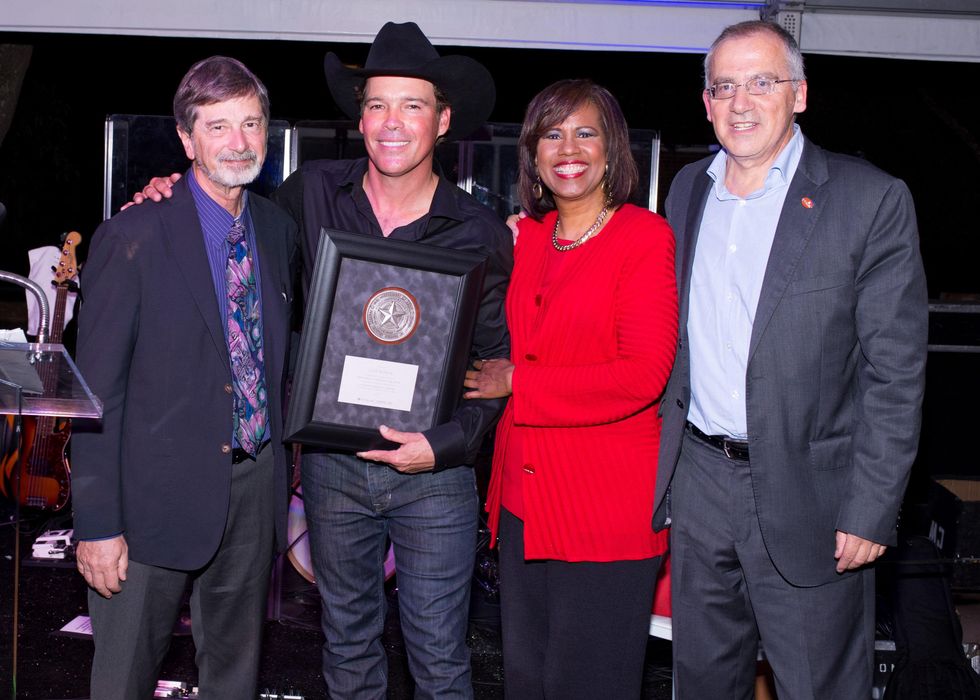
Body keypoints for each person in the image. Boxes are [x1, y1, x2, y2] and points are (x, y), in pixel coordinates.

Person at [126, 22, 511, 699]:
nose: (392, 123)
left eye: (413, 105)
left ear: (443, 120)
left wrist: (445, 444)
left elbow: (494, 366)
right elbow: (229, 222)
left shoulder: (479, 231)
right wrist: (172, 194)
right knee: (347, 648)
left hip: (434, 476)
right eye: (377, 104)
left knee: (441, 662)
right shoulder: (308, 195)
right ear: (360, 118)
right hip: (333, 471)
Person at [652, 20, 928, 699]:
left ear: (799, 94)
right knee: (701, 683)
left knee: (818, 686)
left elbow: (895, 374)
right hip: (699, 485)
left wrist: (872, 509)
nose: (741, 102)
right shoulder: (687, 190)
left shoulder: (868, 199)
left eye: (761, 82)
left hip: (814, 498)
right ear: (706, 102)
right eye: (724, 87)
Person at [71, 57, 299, 698]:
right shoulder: (133, 234)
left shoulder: (278, 230)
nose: (238, 141)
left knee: (234, 681)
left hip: (252, 493)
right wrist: (97, 524)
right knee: (122, 682)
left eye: (250, 123)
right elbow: (96, 397)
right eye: (218, 126)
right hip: (148, 505)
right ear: (186, 138)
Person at [464, 79, 678, 699]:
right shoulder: (526, 239)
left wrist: (519, 381)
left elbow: (643, 375)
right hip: (522, 504)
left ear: (612, 150)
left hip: (603, 511)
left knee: (587, 686)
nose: (569, 149)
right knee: (526, 682)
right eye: (552, 135)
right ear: (532, 156)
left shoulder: (643, 237)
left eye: (586, 133)